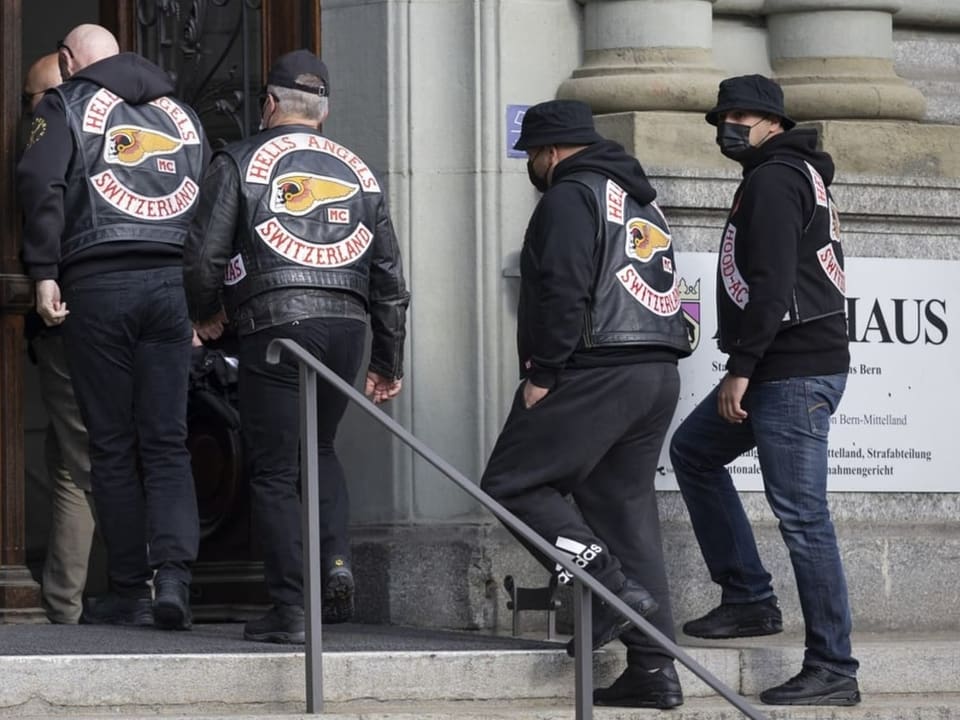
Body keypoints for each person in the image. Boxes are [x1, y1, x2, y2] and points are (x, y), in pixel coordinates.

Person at [183, 49, 410, 644]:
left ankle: (290, 607)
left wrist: (206, 314)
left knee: (277, 468)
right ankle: (335, 569)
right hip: (347, 329)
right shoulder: (359, 170)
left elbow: (204, 254)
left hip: (279, 328)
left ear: (270, 103)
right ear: (324, 112)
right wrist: (388, 361)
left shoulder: (240, 158)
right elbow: (389, 277)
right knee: (323, 451)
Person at [479, 100, 691, 709]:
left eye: (532, 157)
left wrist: (544, 370)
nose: (532, 167)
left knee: (513, 485)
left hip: (595, 369)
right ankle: (655, 671)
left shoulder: (572, 195)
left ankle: (602, 589)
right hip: (655, 371)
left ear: (550, 152)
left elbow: (565, 285)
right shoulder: (639, 199)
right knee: (626, 519)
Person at [669, 74, 860, 706]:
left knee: (805, 520)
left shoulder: (777, 178)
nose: (730, 125)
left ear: (774, 122)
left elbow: (775, 282)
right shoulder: (784, 172)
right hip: (788, 364)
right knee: (695, 453)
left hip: (790, 367)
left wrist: (742, 367)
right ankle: (749, 598)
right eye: (725, 115)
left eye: (744, 115)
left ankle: (834, 667)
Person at [17, 24, 207, 631]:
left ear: (69, 61)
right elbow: (203, 201)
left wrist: (44, 271)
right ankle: (174, 577)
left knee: (113, 446)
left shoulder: (63, 102)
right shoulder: (183, 116)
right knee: (167, 441)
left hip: (98, 285)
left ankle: (130, 587)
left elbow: (37, 182)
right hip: (171, 286)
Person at [20, 52, 96, 625]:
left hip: (76, 312)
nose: (31, 113)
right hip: (99, 316)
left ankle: (133, 592)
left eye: (38, 99)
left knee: (87, 462)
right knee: (70, 462)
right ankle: (63, 604)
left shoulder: (62, 136)